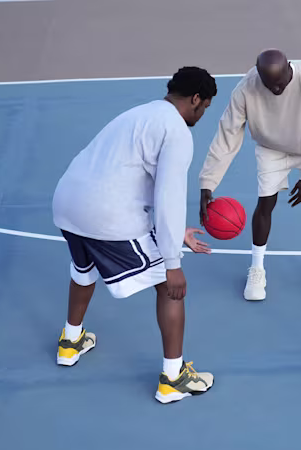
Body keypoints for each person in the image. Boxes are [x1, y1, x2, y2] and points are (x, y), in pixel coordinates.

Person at [51, 67, 218, 404]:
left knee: (83, 269)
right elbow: (167, 196)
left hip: (67, 203)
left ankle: (70, 342)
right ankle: (173, 378)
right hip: (107, 215)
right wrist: (172, 262)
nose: (202, 115)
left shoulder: (140, 113)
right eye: (205, 107)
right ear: (196, 99)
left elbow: (124, 174)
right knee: (170, 289)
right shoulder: (177, 131)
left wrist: (172, 232)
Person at [198, 49, 301, 301]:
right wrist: (208, 182)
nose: (276, 90)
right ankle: (257, 268)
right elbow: (227, 135)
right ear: (258, 76)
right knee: (265, 202)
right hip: (270, 149)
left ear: (289, 68)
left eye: (280, 84)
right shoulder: (245, 89)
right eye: (270, 85)